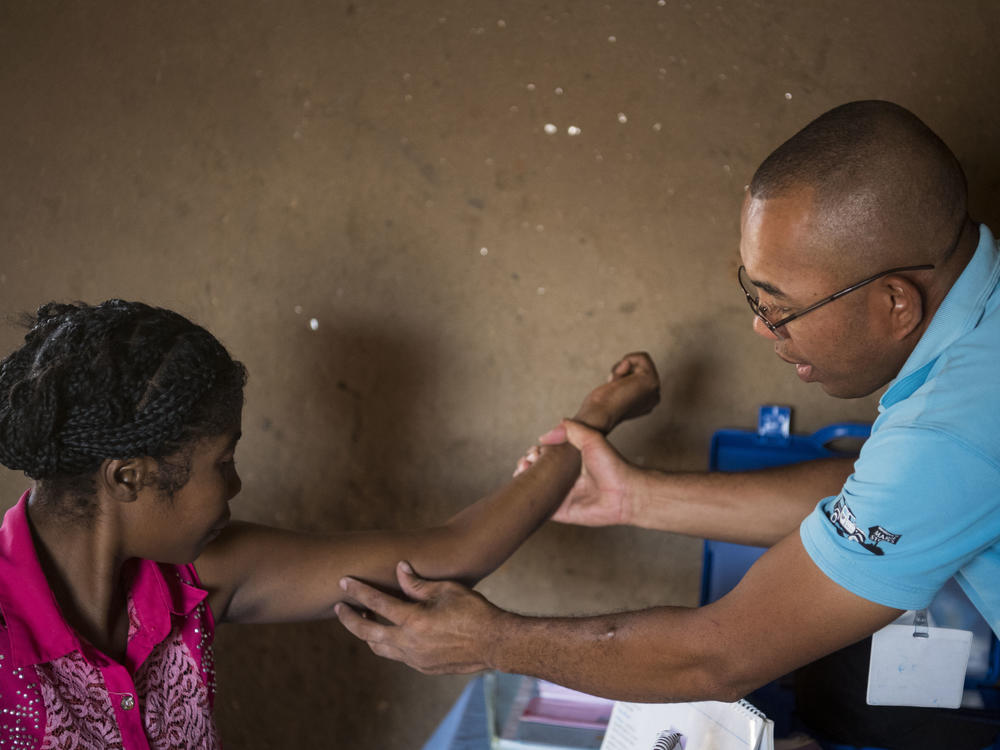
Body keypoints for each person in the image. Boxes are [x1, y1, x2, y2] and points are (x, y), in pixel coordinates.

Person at [335, 100, 1000, 747]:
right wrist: (635, 497)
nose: (762, 327)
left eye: (782, 307)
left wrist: (487, 641)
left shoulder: (951, 428)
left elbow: (720, 656)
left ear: (894, 303)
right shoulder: (976, 339)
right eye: (753, 293)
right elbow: (871, 490)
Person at [0, 299, 660, 748]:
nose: (236, 485)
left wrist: (594, 419)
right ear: (128, 478)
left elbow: (455, 549)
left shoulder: (193, 576)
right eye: (222, 462)